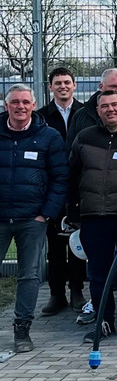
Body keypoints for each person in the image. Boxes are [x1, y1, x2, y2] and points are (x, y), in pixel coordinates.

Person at [69, 88, 117, 341]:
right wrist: (73, 211)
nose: (110, 110)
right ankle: (104, 320)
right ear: (97, 110)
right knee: (98, 273)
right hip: (94, 216)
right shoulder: (85, 137)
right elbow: (72, 176)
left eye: (115, 105)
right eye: (104, 106)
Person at [2, 85, 68, 352]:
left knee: (29, 275)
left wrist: (46, 213)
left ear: (34, 105)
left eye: (25, 102)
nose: (20, 107)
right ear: (6, 106)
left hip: (32, 219)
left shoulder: (48, 136)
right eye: (15, 102)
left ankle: (22, 329)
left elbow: (60, 178)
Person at [38, 66, 87, 317]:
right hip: (52, 189)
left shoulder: (86, 113)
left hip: (79, 188)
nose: (63, 86)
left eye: (67, 82)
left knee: (77, 241)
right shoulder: (41, 116)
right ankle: (56, 294)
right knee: (55, 245)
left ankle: (77, 291)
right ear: (50, 87)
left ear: (74, 85)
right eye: (58, 83)